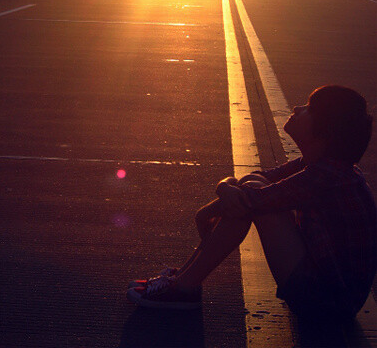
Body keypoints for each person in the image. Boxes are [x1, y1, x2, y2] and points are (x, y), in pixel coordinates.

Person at [127, 85, 376, 320]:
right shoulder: (319, 166)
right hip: (327, 297)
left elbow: (252, 198)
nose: (297, 109)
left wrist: (213, 203)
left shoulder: (329, 177)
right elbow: (258, 178)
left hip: (327, 305)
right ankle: (183, 280)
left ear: (324, 134)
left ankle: (184, 287)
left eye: (309, 108)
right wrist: (220, 194)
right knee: (253, 183)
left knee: (251, 196)